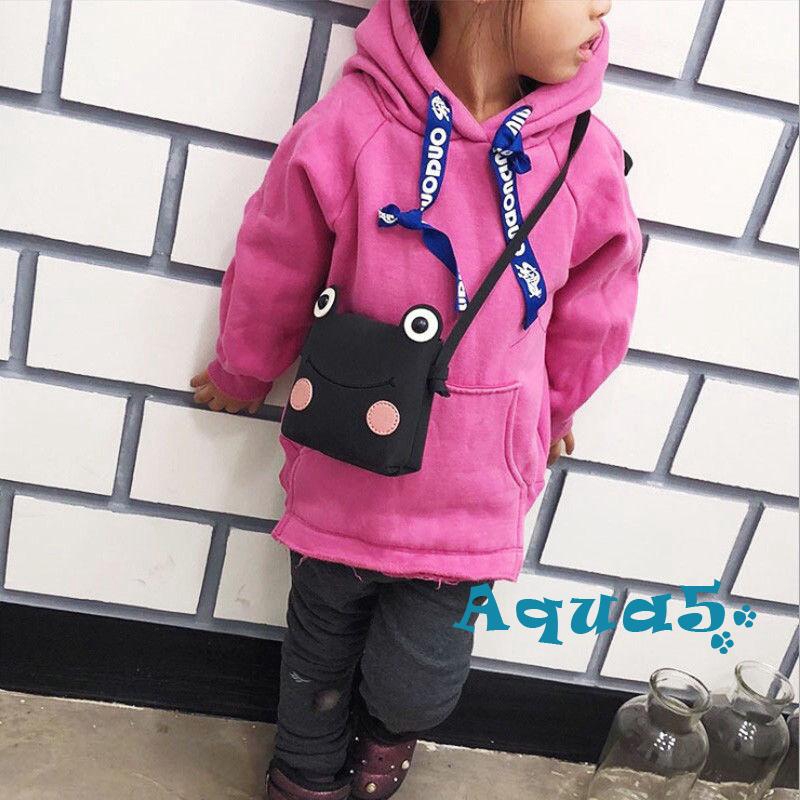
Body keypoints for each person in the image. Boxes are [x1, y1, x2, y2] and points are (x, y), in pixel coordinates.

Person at [190, 1, 641, 798]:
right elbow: (277, 258)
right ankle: (304, 775)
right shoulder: (353, 125)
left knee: (419, 685)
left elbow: (599, 303)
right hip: (347, 473)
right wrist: (242, 368)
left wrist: (555, 410)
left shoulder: (583, 156)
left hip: (471, 496)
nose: (602, 9)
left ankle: (386, 742)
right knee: (316, 658)